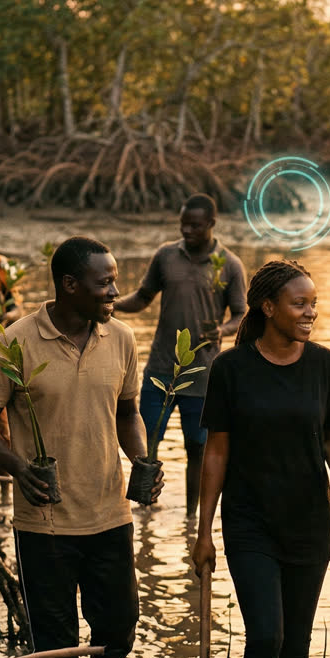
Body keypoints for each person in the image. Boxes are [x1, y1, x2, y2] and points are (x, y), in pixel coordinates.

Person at [0, 236, 159, 658]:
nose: (115, 293)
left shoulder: (120, 338)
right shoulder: (16, 342)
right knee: (55, 648)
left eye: (115, 281)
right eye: (105, 284)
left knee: (119, 630)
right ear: (69, 286)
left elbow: (127, 411)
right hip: (44, 522)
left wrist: (141, 457)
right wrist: (17, 467)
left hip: (108, 514)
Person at [191, 259, 330, 658]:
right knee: (266, 636)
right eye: (299, 303)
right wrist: (203, 530)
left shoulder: (328, 366)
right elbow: (216, 451)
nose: (311, 312)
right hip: (250, 522)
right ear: (268, 308)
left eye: (314, 303)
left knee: (297, 642)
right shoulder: (231, 369)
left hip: (309, 522)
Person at [114, 193, 247, 517]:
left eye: (195, 226)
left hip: (203, 375)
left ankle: (191, 518)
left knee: (197, 448)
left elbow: (241, 314)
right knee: (146, 446)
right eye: (183, 224)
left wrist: (223, 331)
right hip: (160, 369)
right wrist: (108, 305)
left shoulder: (228, 264)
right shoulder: (165, 256)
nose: (187, 230)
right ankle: (144, 511)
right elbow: (143, 297)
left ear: (212, 225)